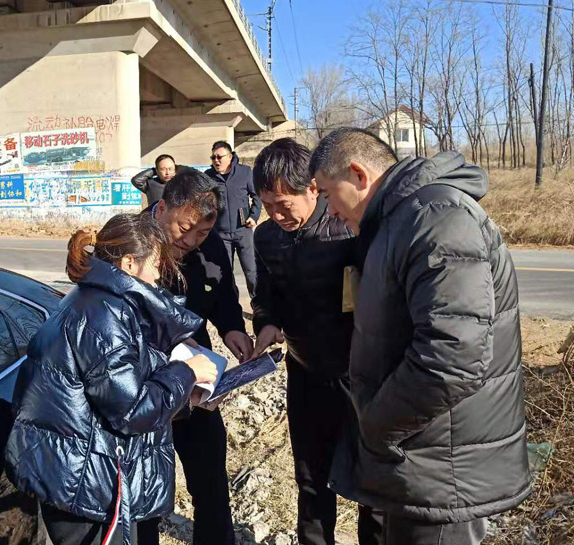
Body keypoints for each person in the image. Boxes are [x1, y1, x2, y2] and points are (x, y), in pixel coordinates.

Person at [309, 128, 532, 545]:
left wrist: (374, 425)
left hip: (443, 466)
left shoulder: (436, 216)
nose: (328, 210)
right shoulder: (401, 219)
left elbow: (453, 356)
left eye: (324, 192)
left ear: (358, 174)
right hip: (422, 459)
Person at [6, 213, 218, 545]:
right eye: (156, 263)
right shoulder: (104, 317)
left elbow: (116, 394)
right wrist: (187, 372)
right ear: (130, 263)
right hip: (88, 487)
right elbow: (132, 411)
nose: (160, 273)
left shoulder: (101, 303)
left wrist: (186, 397)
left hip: (86, 472)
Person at [250, 138, 381, 545]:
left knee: (372, 488)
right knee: (310, 480)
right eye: (266, 204)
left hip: (357, 377)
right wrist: (267, 324)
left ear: (312, 188)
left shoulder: (349, 229)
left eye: (283, 203)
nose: (275, 214)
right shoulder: (266, 238)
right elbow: (265, 295)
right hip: (304, 373)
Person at [141, 169, 254, 545]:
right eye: (183, 228)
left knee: (209, 478)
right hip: (144, 385)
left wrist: (232, 327)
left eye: (201, 233)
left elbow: (222, 291)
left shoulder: (209, 244)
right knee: (145, 485)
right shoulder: (130, 240)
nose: (190, 241)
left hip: (197, 373)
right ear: (162, 208)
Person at [204, 141, 261, 297]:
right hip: (220, 234)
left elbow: (257, 195)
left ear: (230, 157)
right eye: (213, 157)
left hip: (243, 230)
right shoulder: (208, 177)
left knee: (251, 271)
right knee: (225, 274)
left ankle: (258, 305)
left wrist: (253, 216)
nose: (216, 161)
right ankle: (233, 305)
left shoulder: (245, 172)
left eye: (219, 157)